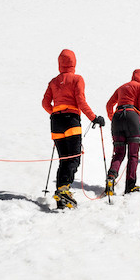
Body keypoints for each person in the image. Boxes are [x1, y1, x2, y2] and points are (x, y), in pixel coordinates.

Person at [42, 49, 104, 209]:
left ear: (59, 63)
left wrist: (56, 112)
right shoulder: (77, 79)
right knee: (74, 158)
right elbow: (81, 101)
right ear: (74, 62)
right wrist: (94, 118)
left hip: (55, 122)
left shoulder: (53, 81)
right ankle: (64, 190)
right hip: (71, 121)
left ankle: (61, 193)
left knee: (64, 159)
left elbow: (45, 103)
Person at [105, 69, 140, 195]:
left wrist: (113, 119)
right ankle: (130, 186)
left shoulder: (122, 87)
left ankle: (111, 177)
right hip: (132, 118)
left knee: (119, 153)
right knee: (133, 155)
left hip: (117, 118)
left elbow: (109, 105)